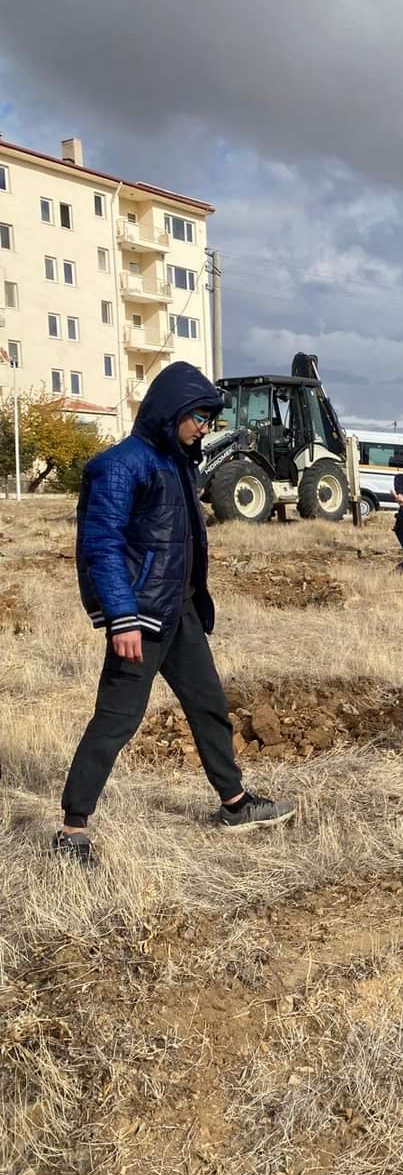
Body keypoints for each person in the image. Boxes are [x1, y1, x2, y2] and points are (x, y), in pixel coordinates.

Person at [54, 362, 296, 866]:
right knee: (116, 721)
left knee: (209, 704)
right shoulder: (120, 464)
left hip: (179, 612)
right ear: (171, 413)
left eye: (208, 418)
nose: (204, 427)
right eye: (199, 417)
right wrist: (121, 617)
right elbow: (102, 545)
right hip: (140, 618)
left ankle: (234, 804)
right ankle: (72, 828)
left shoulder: (176, 463)